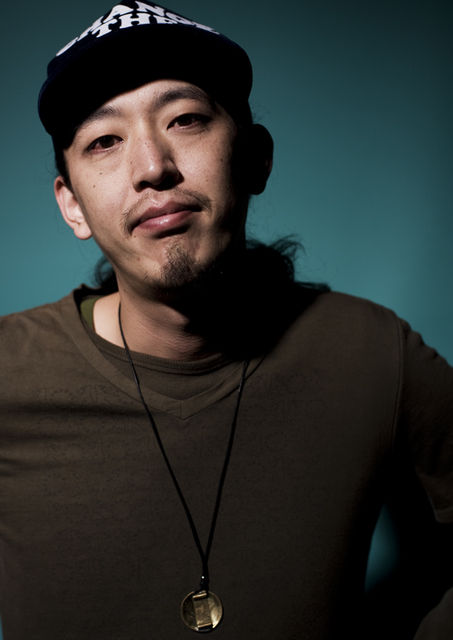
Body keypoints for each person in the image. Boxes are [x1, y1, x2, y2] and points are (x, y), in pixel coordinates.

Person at [0, 2, 452, 638]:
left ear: (255, 158)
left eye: (185, 119)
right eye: (105, 141)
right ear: (72, 205)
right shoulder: (8, 374)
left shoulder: (373, 352)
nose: (152, 167)